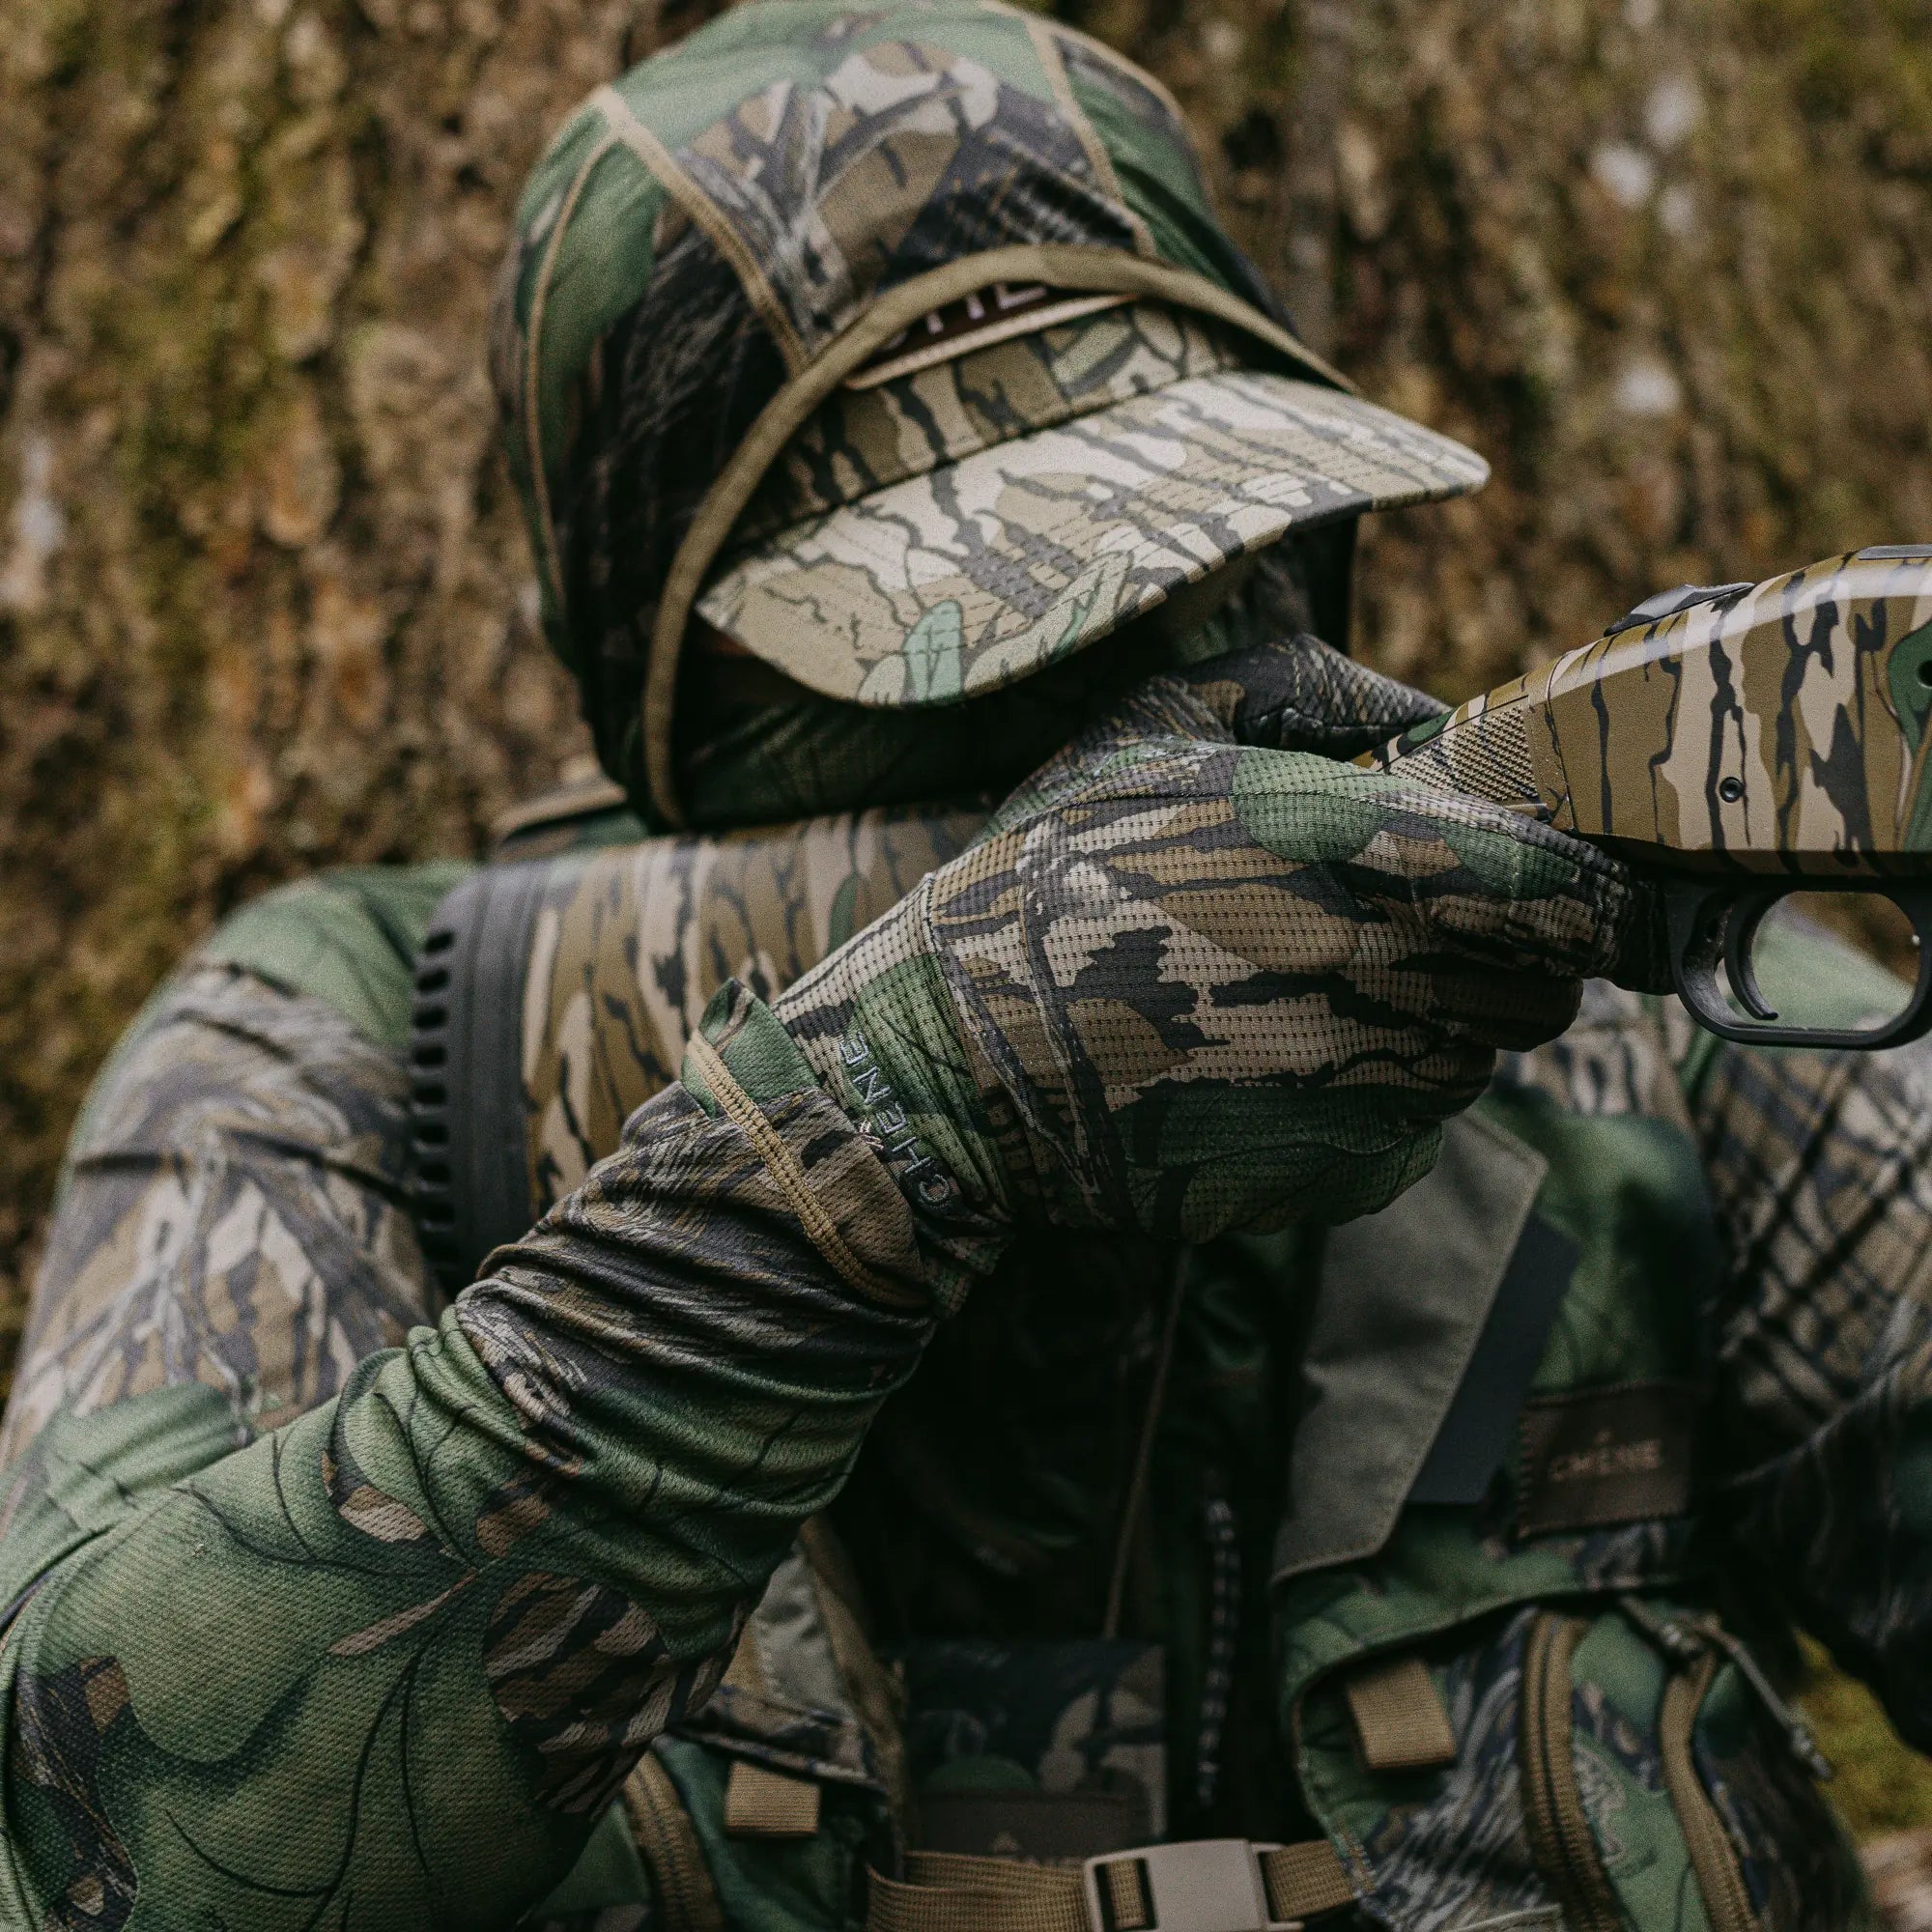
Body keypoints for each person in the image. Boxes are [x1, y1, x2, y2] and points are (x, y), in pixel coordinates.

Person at [0, 5, 1913, 1927]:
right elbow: (91, 1857)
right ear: (672, 691)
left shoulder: (1613, 1023)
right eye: (987, 646)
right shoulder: (361, 1048)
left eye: (1226, 554)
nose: (1178, 678)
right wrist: (877, 1122)